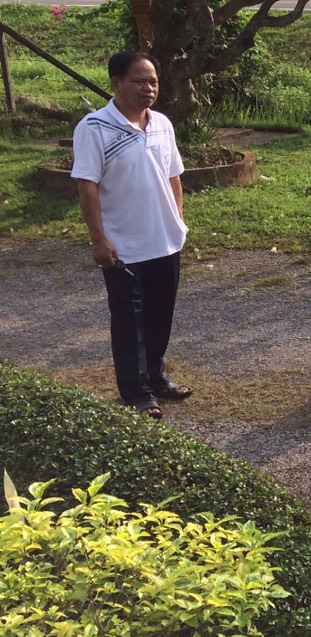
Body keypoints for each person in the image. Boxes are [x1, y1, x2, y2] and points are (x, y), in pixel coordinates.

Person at [71, 49, 190, 418]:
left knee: (159, 316)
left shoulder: (163, 124)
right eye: (139, 81)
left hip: (164, 241)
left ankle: (155, 377)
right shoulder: (94, 128)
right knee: (129, 322)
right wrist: (99, 240)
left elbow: (173, 177)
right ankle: (136, 392)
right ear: (116, 83)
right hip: (123, 246)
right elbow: (87, 187)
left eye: (153, 81)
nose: (148, 88)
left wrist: (178, 221)